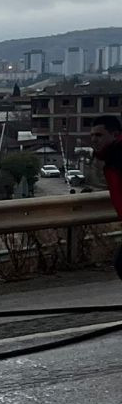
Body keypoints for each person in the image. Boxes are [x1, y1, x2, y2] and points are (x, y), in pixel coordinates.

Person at [89, 114, 122, 281]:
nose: (94, 140)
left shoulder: (118, 158)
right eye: (92, 135)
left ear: (115, 135)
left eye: (99, 135)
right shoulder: (112, 158)